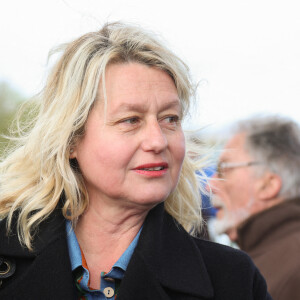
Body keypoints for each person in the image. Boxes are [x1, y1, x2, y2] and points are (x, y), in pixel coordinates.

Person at [0, 22, 271, 299]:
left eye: (170, 119)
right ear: (70, 139)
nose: (158, 141)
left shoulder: (234, 280)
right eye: (130, 120)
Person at [210, 115, 300, 300]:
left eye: (224, 168)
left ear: (268, 185)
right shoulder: (261, 259)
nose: (210, 185)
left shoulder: (292, 271)